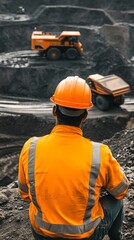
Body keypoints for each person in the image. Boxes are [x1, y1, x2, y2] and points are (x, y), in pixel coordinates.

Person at [18, 76, 129, 240]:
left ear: (54, 111)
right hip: (84, 235)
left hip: (42, 233)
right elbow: (121, 191)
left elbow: (25, 194)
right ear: (85, 115)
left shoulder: (31, 147)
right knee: (117, 202)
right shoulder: (100, 153)